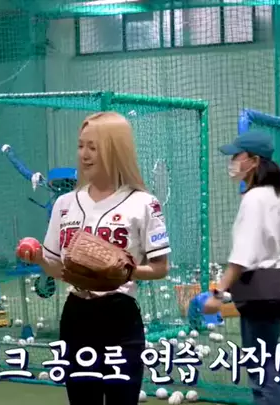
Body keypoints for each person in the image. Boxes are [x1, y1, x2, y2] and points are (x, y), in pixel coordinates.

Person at [19, 112, 170, 405]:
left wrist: (124, 272)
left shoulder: (143, 203)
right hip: (77, 316)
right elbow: (59, 269)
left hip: (120, 315)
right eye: (81, 146)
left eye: (94, 147)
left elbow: (160, 268)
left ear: (115, 150)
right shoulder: (65, 204)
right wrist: (39, 259)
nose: (84, 155)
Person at [204, 130, 280, 405]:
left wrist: (218, 293)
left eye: (236, 156)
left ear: (253, 161)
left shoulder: (254, 198)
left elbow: (242, 255)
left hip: (262, 292)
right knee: (269, 365)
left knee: (263, 372)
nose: (232, 161)